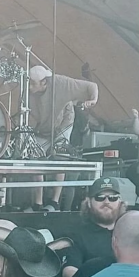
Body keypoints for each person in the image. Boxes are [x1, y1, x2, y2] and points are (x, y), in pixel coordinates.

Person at [28, 66, 99, 209]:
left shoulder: (62, 83)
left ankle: (54, 202)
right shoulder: (26, 89)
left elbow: (91, 86)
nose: (29, 86)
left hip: (63, 123)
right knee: (36, 158)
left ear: (44, 82)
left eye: (33, 83)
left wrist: (93, 99)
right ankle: (38, 203)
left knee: (59, 157)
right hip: (42, 128)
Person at [61, 177, 127, 277]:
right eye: (100, 197)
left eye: (113, 198)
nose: (106, 202)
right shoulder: (77, 235)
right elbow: (69, 273)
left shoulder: (130, 232)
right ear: (89, 202)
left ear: (120, 202)